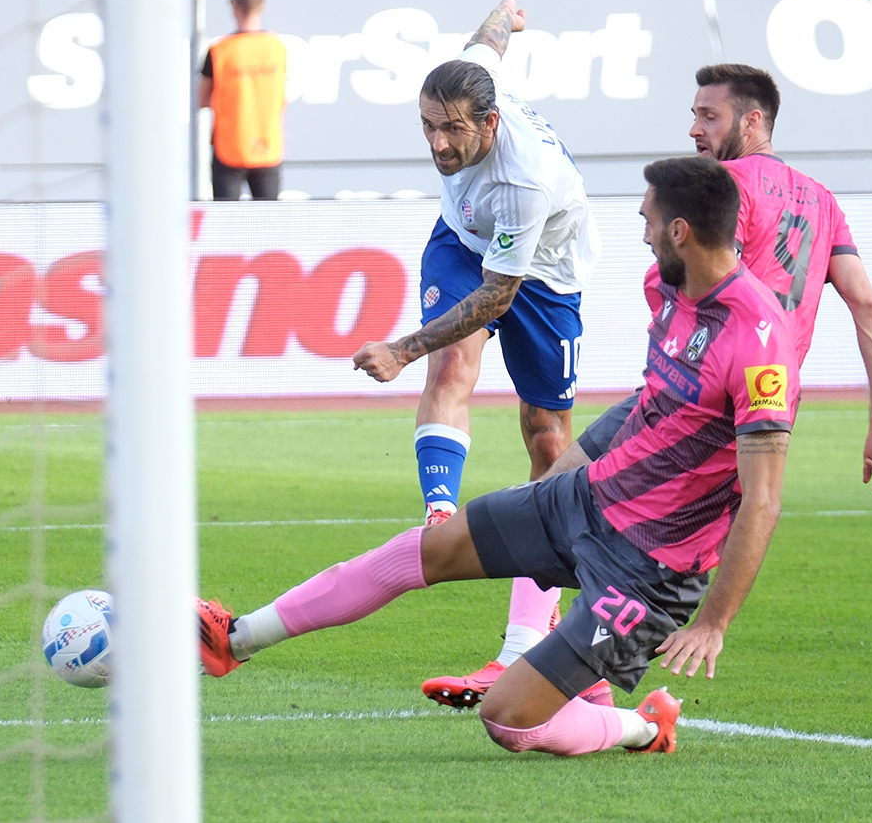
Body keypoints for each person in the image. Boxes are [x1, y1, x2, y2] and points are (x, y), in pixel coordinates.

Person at [201, 156, 800, 761]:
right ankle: (237, 639)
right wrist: (569, 469)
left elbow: (763, 497)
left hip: (650, 569)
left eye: (648, 221)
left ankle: (644, 726)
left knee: (508, 719)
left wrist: (713, 621)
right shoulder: (668, 287)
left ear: (680, 232)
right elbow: (649, 398)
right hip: (588, 497)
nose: (641, 233)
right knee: (426, 550)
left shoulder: (759, 344)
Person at [423, 63, 872, 709]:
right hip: (747, 398)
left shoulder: (718, 188)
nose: (695, 129)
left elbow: (685, 280)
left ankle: (578, 679)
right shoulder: (822, 200)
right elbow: (866, 304)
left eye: (709, 116)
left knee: (606, 527)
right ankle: (526, 652)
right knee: (559, 486)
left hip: (703, 401)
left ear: (752, 120)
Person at [347, 0, 600, 708]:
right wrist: (507, 16)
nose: (438, 145)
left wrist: (398, 347)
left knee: (548, 444)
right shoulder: (468, 79)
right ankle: (439, 516)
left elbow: (496, 299)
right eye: (428, 127)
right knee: (455, 361)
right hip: (462, 243)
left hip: (542, 277)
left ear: (490, 122)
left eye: (452, 130)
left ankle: (522, 645)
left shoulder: (524, 178)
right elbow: (486, 42)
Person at [199, 0, 287, 202]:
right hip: (268, 145)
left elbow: (202, 98)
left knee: (227, 225)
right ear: (262, 7)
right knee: (268, 224)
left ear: (234, 5)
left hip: (230, 146)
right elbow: (282, 97)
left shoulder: (219, 51)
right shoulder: (277, 47)